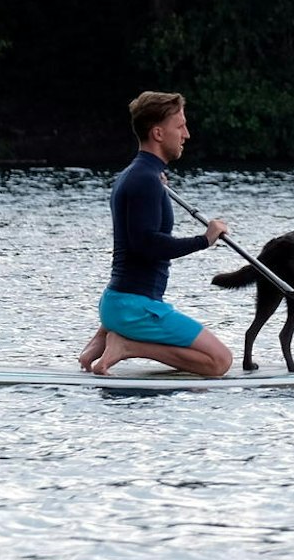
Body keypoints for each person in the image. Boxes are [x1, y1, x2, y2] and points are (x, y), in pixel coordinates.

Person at [77, 91, 235, 377]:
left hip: (121, 302)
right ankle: (126, 346)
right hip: (133, 306)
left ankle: (103, 337)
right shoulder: (144, 180)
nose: (186, 134)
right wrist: (205, 239)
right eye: (180, 126)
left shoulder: (138, 175)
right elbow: (146, 245)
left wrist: (155, 182)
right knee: (219, 362)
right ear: (158, 133)